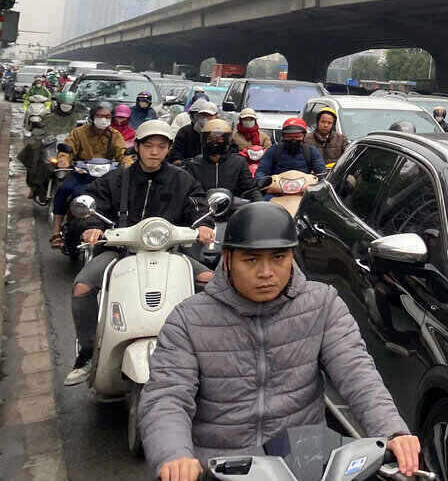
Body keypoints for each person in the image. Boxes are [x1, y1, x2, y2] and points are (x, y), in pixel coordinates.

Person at [141, 203, 420, 481]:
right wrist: (175, 456)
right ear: (227, 259)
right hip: (221, 466)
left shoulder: (323, 304)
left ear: (291, 257)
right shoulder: (188, 319)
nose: (266, 272)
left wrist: (393, 431)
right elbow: (167, 396)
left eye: (278, 257)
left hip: (305, 457)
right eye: (251, 260)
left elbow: (357, 373)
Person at [64, 120, 213, 386]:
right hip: (121, 252)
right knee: (82, 287)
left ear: (168, 149)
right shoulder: (117, 179)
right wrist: (92, 227)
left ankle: (204, 348)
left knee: (211, 282)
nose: (154, 152)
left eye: (161, 146)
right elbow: (92, 202)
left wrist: (203, 224)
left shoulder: (183, 179)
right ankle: (87, 353)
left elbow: (198, 204)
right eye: (148, 145)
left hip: (170, 253)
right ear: (138, 147)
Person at [19, 90, 79, 203]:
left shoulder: (78, 117)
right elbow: (38, 128)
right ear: (59, 104)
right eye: (64, 105)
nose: (66, 108)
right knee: (34, 158)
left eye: (68, 106)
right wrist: (38, 133)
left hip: (69, 149)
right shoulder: (48, 116)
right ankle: (34, 187)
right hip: (51, 146)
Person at [183, 118, 262, 200]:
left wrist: (260, 205)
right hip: (203, 209)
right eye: (210, 138)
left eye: (219, 138)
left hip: (233, 208)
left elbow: (250, 189)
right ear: (203, 140)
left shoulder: (239, 162)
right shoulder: (193, 165)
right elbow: (188, 193)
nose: (214, 142)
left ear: (227, 140)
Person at [256, 117, 325, 179]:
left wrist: (319, 179)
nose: (293, 140)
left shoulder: (311, 151)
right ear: (283, 136)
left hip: (304, 189)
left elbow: (321, 171)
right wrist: (263, 180)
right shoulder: (273, 150)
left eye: (297, 137)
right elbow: (262, 171)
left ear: (304, 136)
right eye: (289, 137)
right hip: (277, 190)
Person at [65, 100, 128, 165]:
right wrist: (64, 161)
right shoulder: (78, 132)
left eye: (107, 116)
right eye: (99, 116)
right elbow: (67, 150)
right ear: (93, 117)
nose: (103, 120)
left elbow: (123, 153)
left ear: (112, 118)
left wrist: (127, 162)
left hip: (106, 171)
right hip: (81, 170)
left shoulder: (115, 135)